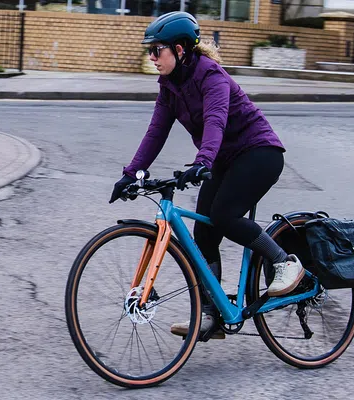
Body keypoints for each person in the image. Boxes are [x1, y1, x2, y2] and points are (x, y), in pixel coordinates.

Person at [108, 11, 305, 339]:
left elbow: (216, 120)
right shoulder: (170, 87)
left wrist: (203, 161)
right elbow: (156, 132)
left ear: (181, 49)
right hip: (223, 160)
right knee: (204, 233)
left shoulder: (210, 75)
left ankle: (286, 262)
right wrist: (132, 173)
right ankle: (211, 315)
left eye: (157, 50)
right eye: (149, 51)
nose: (152, 57)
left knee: (224, 215)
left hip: (259, 152)